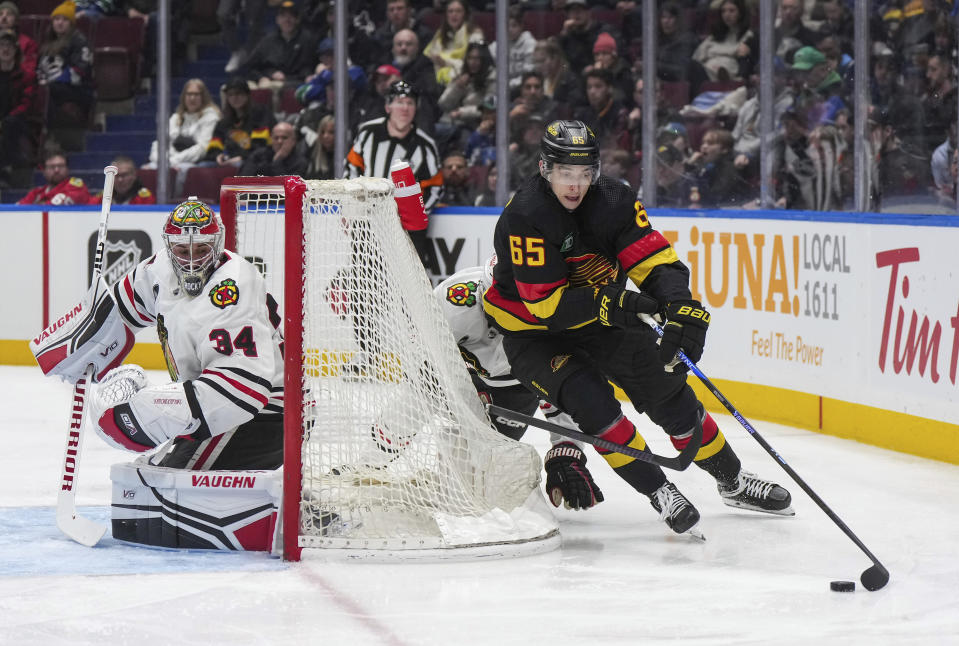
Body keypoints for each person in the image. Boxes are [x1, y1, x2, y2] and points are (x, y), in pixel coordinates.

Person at [482, 119, 793, 538]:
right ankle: (661, 490)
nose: (575, 185)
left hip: (604, 320)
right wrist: (613, 303)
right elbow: (546, 305)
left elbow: (654, 259)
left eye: (584, 174)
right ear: (544, 169)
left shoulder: (614, 199)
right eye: (564, 174)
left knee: (671, 396)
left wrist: (681, 305)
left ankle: (733, 483)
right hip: (535, 334)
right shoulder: (526, 215)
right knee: (593, 406)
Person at [36, 198, 284, 472]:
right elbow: (119, 308)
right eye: (182, 250)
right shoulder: (160, 269)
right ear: (169, 246)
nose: (191, 261)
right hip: (226, 407)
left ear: (217, 244)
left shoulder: (232, 290)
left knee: (160, 488)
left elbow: (241, 390)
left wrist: (149, 413)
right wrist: (80, 341)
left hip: (268, 412)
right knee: (144, 488)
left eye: (201, 249)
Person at [434, 257, 603, 511]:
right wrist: (463, 392)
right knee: (410, 410)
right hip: (462, 375)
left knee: (487, 466)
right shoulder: (453, 302)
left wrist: (566, 452)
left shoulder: (553, 313)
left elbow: (561, 388)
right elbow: (423, 365)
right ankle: (374, 458)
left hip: (515, 389)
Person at [345, 80, 442, 260]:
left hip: (407, 230)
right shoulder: (368, 133)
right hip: (368, 221)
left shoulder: (425, 145)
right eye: (399, 102)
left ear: (415, 109)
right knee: (364, 277)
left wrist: (414, 215)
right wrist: (353, 208)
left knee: (408, 283)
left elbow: (435, 187)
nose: (405, 108)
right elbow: (351, 167)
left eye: (410, 103)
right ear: (388, 107)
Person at [36, 0, 94, 127]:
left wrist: (50, 82)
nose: (60, 23)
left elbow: (80, 72)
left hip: (78, 89)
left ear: (71, 23)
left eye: (64, 19)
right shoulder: (47, 43)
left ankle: (51, 135)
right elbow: (39, 69)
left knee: (48, 90)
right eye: (56, 19)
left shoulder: (79, 41)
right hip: (54, 85)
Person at [147, 79, 221, 173]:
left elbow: (202, 149)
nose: (192, 98)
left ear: (203, 97)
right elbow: (159, 143)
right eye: (189, 94)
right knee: (149, 168)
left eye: (196, 94)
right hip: (170, 160)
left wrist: (173, 161)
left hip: (194, 162)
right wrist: (163, 161)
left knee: (182, 170)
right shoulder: (176, 117)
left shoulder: (211, 117)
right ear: (184, 97)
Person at [205, 76, 276, 168]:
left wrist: (242, 157)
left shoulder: (260, 114)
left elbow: (261, 145)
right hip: (230, 160)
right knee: (204, 165)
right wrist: (218, 156)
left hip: (255, 160)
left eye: (238, 94)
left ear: (247, 95)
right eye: (230, 95)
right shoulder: (224, 122)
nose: (234, 98)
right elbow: (214, 147)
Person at [244, 0, 316, 89]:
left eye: (291, 16)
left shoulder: (307, 39)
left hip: (298, 84)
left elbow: (312, 65)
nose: (287, 20)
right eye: (283, 16)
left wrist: (308, 76)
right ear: (277, 20)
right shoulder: (268, 41)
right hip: (271, 84)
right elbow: (250, 67)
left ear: (298, 19)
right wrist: (262, 77)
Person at [0, 28, 39, 186]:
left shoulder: (26, 75)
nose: (5, 49)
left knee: (10, 125)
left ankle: (4, 169)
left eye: (9, 45)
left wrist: (4, 122)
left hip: (18, 121)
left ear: (16, 50)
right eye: (1, 45)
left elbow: (26, 104)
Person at [422, 0, 485, 87]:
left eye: (458, 11)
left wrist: (445, 62)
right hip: (439, 80)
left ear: (466, 14)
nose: (454, 15)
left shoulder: (475, 35)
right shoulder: (440, 35)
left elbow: (475, 65)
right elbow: (431, 57)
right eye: (450, 11)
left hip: (465, 81)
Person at [17, 150, 90, 205]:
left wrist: (37, 205)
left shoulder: (76, 186)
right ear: (44, 171)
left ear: (67, 169)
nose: (56, 170)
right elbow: (16, 210)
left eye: (61, 166)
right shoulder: (36, 193)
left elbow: (55, 207)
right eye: (52, 167)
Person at [239, 120, 308, 177]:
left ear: (293, 141)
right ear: (271, 139)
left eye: (284, 137)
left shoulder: (300, 163)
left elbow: (289, 188)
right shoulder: (258, 155)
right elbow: (244, 178)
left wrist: (277, 161)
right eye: (276, 138)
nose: (279, 141)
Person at [89, 155, 155, 204]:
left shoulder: (145, 199)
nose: (120, 179)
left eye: (124, 175)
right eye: (116, 175)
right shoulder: (101, 198)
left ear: (134, 175)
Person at [0, 1, 38, 75]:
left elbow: (30, 71)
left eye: (9, 14)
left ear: (16, 20)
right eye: (0, 14)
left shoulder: (28, 43)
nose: (4, 17)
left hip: (17, 81)